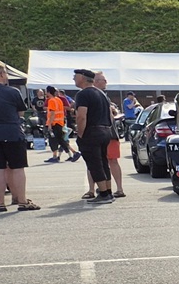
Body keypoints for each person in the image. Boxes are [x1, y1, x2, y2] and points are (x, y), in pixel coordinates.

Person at [0, 62, 39, 211]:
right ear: (1, 74)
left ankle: (0, 202)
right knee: (18, 167)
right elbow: (21, 112)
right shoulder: (13, 92)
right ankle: (22, 200)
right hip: (12, 132)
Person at [69, 69, 116, 204]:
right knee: (103, 162)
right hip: (105, 130)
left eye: (75, 76)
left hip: (92, 131)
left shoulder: (83, 94)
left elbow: (81, 116)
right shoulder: (101, 93)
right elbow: (110, 115)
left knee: (94, 163)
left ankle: (103, 193)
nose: (73, 79)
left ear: (82, 78)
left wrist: (81, 133)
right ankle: (108, 191)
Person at [94, 69, 127, 197]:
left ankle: (119, 188)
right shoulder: (94, 95)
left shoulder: (104, 96)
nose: (106, 82)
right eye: (103, 80)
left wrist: (113, 112)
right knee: (96, 161)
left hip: (110, 134)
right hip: (98, 134)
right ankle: (96, 189)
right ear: (95, 82)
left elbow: (112, 114)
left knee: (112, 160)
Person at [42, 85, 73, 163]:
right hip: (60, 122)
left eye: (46, 91)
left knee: (53, 140)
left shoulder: (51, 100)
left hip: (54, 123)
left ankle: (55, 156)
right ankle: (71, 154)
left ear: (48, 92)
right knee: (61, 140)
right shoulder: (58, 100)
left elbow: (52, 113)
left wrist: (49, 124)